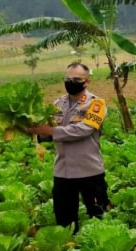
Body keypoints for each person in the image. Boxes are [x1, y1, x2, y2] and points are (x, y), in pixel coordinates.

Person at [27, 62, 109, 233]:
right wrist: (31, 130)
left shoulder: (96, 104)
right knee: (64, 220)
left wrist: (51, 130)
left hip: (89, 171)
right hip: (63, 171)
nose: (71, 82)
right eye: (68, 78)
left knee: (98, 215)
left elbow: (84, 130)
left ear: (87, 82)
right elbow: (48, 133)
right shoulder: (57, 104)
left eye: (77, 79)